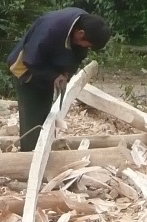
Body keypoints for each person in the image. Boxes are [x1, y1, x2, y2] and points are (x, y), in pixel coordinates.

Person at [7, 8, 111, 151]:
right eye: (88, 44)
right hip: (27, 69)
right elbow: (30, 60)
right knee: (33, 115)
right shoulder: (50, 29)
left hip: (48, 65)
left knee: (45, 112)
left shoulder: (84, 24)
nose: (86, 48)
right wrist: (54, 76)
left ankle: (45, 146)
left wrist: (66, 72)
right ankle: (29, 153)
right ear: (80, 34)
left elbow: (78, 53)